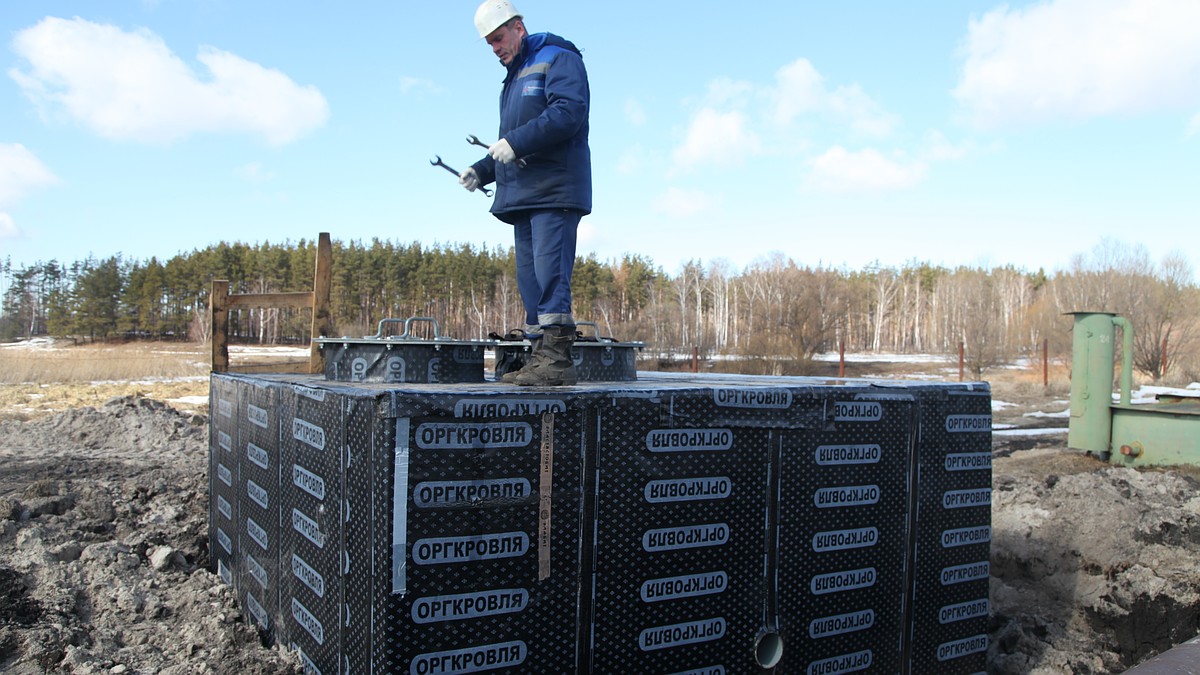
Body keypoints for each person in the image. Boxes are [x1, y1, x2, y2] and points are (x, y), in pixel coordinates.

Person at [460, 0, 591, 386]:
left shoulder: (558, 57)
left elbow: (568, 113)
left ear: (518, 26)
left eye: (498, 38)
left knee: (550, 275)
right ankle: (539, 357)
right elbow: (509, 143)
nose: (496, 48)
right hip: (524, 195)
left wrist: (514, 142)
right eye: (489, 44)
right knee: (530, 280)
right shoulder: (514, 77)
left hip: (555, 190)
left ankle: (556, 361)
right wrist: (482, 170)